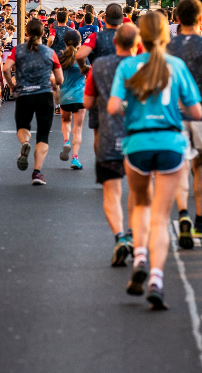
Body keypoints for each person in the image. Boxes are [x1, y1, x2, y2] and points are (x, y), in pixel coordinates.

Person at [107, 12, 202, 309]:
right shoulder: (176, 66)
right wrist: (174, 111)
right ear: (166, 35)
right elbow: (197, 112)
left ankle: (139, 259)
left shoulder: (128, 65)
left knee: (140, 204)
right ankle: (157, 280)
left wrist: (133, 110)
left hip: (137, 142)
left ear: (140, 37)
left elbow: (112, 107)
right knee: (162, 216)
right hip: (171, 142)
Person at [167, 0, 202, 245]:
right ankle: (200, 221)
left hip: (174, 113)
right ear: (201, 19)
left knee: (179, 166)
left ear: (177, 19)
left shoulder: (167, 46)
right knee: (200, 166)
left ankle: (183, 216)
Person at [84, 24, 139, 266]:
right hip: (139, 136)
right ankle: (132, 234)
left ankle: (119, 236)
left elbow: (87, 102)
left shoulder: (99, 66)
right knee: (138, 191)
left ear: (115, 41)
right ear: (136, 44)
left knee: (112, 192)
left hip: (108, 134)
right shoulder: (145, 66)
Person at [3, 17, 63, 185]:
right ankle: (37, 173)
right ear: (43, 33)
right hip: (44, 95)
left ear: (26, 33)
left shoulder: (17, 50)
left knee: (23, 127)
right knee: (43, 136)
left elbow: (6, 68)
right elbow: (60, 80)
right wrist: (51, 80)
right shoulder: (50, 53)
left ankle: (25, 143)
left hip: (24, 94)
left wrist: (11, 84)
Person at [56, 29, 88, 169]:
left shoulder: (60, 56)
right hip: (80, 96)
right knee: (78, 128)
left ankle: (66, 141)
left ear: (64, 41)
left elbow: (56, 75)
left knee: (66, 121)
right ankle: (75, 158)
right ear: (79, 42)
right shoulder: (83, 57)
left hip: (64, 95)